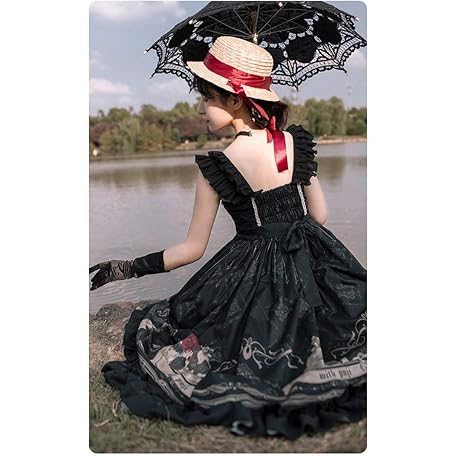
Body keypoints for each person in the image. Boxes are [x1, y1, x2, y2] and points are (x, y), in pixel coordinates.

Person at [89, 36, 366, 440]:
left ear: (236, 100)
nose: (199, 108)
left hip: (252, 272)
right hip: (313, 257)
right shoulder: (294, 143)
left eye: (206, 98)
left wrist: (126, 268)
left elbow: (192, 249)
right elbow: (319, 217)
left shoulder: (217, 167)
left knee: (198, 328)